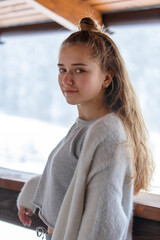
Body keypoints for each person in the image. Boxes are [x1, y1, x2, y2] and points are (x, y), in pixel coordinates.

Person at [17, 17, 154, 240]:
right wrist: (32, 194)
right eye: (62, 69)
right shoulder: (85, 125)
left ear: (106, 78)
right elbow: (70, 178)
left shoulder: (108, 135)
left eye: (79, 70)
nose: (67, 80)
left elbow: (103, 224)